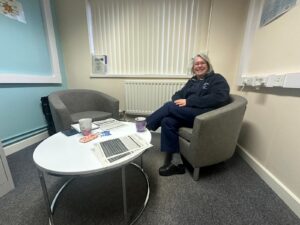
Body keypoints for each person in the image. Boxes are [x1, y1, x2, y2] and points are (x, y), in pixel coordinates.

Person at [146, 53, 230, 176]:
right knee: (167, 121)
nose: (199, 66)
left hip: (205, 116)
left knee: (169, 106)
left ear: (208, 65)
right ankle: (175, 164)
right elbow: (178, 94)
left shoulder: (217, 79)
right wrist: (178, 101)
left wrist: (189, 101)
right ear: (193, 67)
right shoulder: (192, 81)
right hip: (189, 113)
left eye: (202, 63)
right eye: (197, 63)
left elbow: (220, 97)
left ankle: (143, 127)